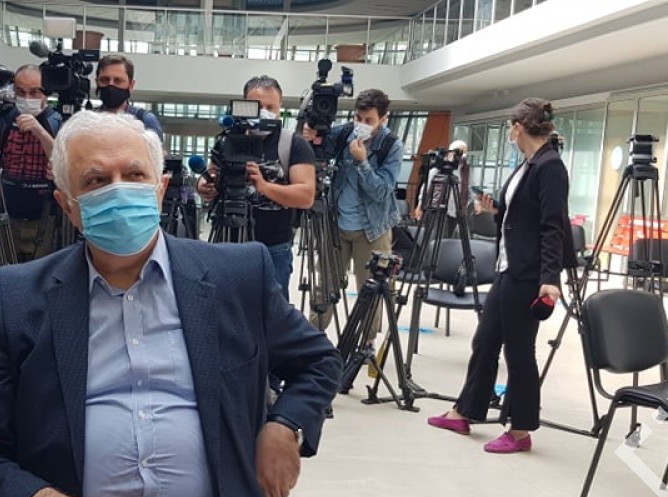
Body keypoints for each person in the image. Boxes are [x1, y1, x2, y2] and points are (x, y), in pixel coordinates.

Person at [0, 110, 340, 497]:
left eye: (134, 174)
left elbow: (318, 361)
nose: (119, 191)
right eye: (96, 181)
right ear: (68, 205)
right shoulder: (18, 297)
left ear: (160, 187)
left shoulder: (238, 276)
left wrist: (286, 424)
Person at [426, 98, 576, 454]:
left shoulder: (550, 167)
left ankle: (521, 430)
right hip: (509, 267)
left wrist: (550, 278)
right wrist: (497, 209)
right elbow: (523, 213)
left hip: (528, 273)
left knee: (519, 351)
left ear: (518, 128)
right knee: (486, 341)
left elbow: (553, 226)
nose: (510, 132)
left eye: (511, 127)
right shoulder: (530, 163)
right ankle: (465, 411)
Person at [195, 75, 316, 299]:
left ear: (280, 108)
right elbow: (211, 175)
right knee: (224, 306)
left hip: (273, 248)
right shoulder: (227, 141)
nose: (264, 113)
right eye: (257, 107)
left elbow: (306, 196)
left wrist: (264, 186)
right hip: (227, 242)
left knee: (271, 312)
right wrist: (204, 185)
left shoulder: (293, 143)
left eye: (271, 107)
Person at [304, 89, 404, 332]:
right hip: (336, 224)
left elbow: (381, 191)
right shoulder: (344, 133)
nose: (361, 124)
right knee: (325, 284)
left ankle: (366, 341)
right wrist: (311, 136)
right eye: (358, 118)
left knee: (370, 288)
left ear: (383, 119)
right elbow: (318, 151)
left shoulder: (391, 145)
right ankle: (313, 336)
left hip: (373, 229)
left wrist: (362, 161)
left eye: (369, 120)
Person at [0, 65, 62, 262]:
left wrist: (39, 131)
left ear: (45, 92)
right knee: (5, 270)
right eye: (20, 92)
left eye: (34, 91)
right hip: (7, 213)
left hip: (44, 217)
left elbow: (62, 161)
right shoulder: (5, 118)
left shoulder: (56, 121)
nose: (27, 98)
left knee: (41, 272)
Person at [94, 54, 164, 141]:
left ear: (131, 85)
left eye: (118, 80)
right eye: (105, 80)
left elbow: (157, 149)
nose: (110, 85)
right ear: (97, 82)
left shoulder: (145, 120)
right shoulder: (88, 121)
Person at [415, 139, 473, 238]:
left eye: (464, 151)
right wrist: (420, 204)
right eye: (459, 151)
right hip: (436, 209)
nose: (462, 155)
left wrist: (475, 202)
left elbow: (469, 187)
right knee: (434, 238)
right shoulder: (438, 168)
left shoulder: (466, 170)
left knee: (447, 239)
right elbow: (426, 187)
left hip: (455, 211)